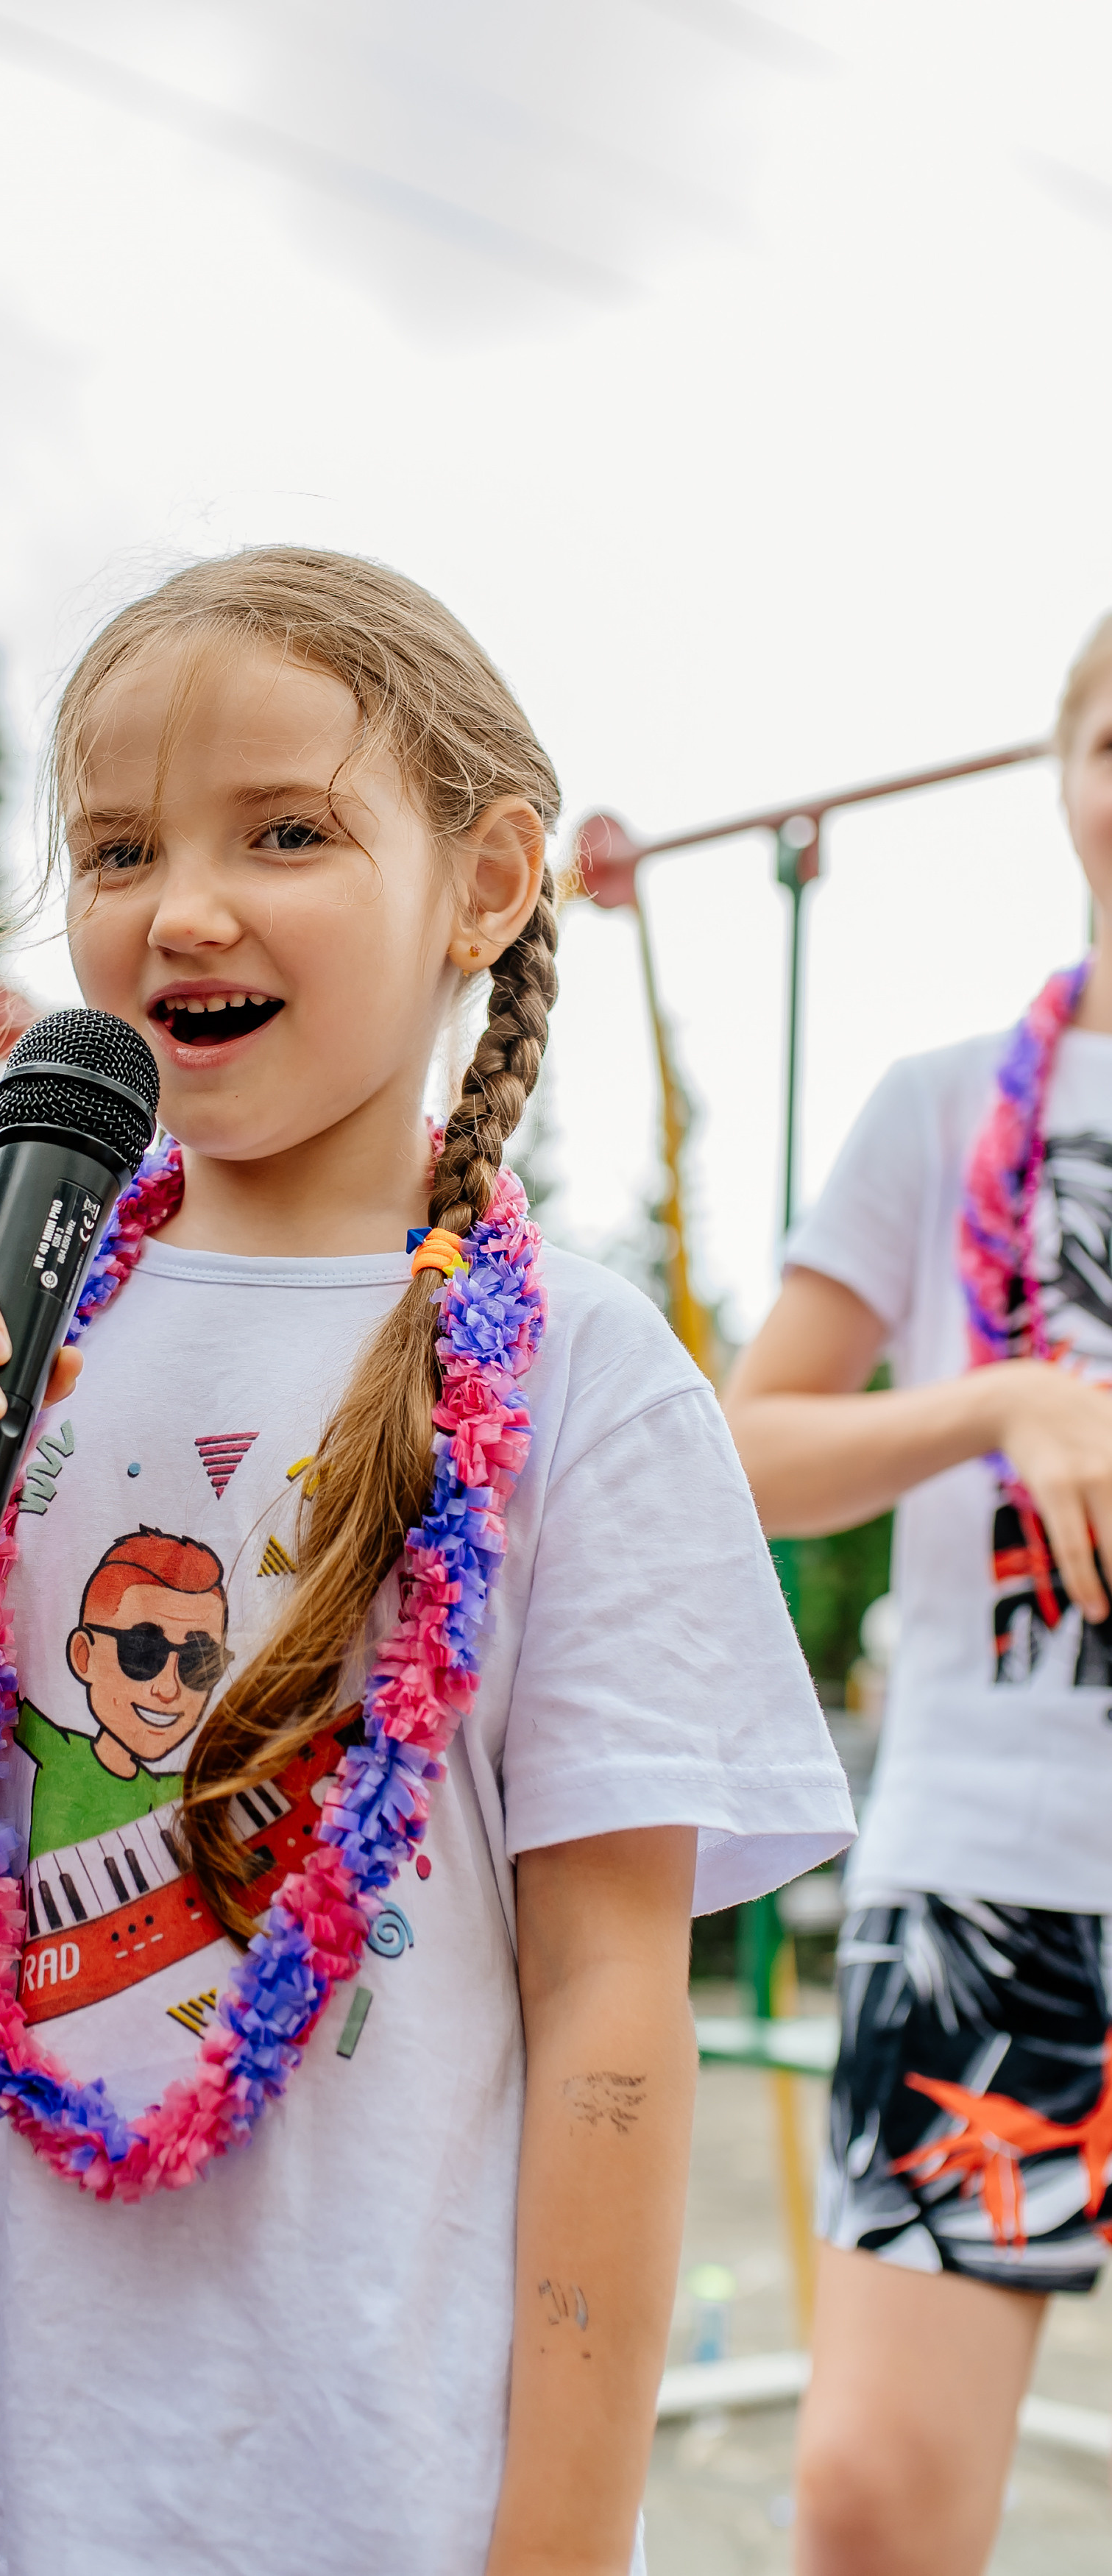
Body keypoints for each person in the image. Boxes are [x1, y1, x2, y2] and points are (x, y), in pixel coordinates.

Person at [0, 547, 853, 2576]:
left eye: (284, 830)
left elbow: (611, 1996)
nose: (179, 906)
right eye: (114, 844)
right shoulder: (9, 1315)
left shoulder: (585, 1379)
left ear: (488, 881)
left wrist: (557, 2539)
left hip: (364, 2493)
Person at [722, 613, 1112, 2576]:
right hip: (981, 1880)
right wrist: (1002, 1398)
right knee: (867, 2507)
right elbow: (742, 1452)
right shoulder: (943, 1100)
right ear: (1063, 776)